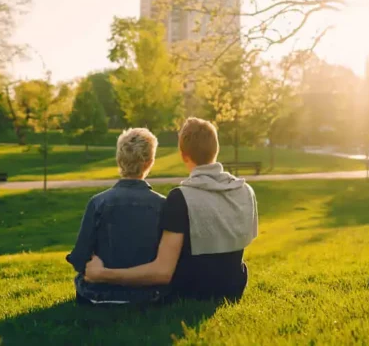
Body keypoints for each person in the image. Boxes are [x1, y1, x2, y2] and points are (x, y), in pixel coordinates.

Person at [85, 117, 258, 303]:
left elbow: (162, 273)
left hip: (190, 293)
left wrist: (103, 274)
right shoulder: (244, 190)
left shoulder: (181, 198)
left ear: (183, 154)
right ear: (216, 150)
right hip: (233, 289)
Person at [67, 128, 166, 305]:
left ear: (119, 160)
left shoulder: (98, 203)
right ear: (150, 162)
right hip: (148, 295)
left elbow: (79, 259)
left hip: (98, 295)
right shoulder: (162, 205)